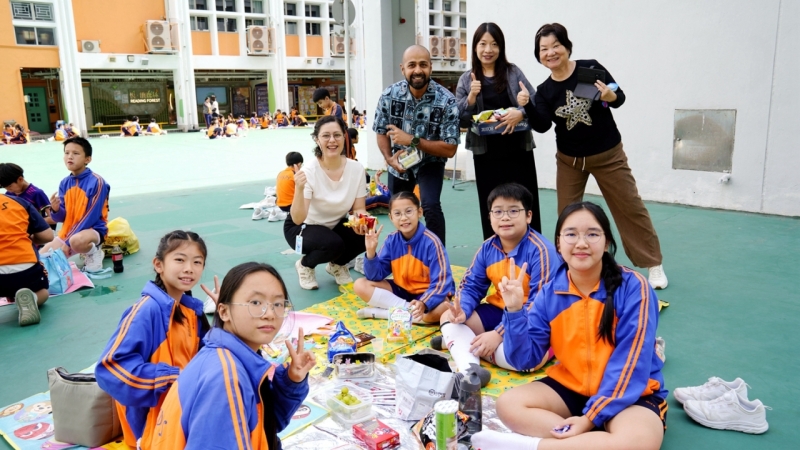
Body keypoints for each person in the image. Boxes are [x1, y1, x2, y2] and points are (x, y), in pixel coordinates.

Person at [471, 202, 667, 450]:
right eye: (571, 234)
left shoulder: (634, 287)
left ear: (606, 242)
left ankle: (533, 447)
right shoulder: (549, 294)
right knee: (508, 404)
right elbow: (524, 360)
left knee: (638, 443)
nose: (581, 243)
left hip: (630, 395)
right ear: (558, 244)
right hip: (572, 387)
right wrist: (514, 311)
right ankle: (594, 442)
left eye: (592, 234)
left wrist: (589, 418)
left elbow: (631, 362)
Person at [520, 23, 668, 289]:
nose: (551, 53)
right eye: (544, 49)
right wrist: (527, 105)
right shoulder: (544, 90)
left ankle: (652, 262)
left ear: (567, 47)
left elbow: (618, 96)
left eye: (556, 46)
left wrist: (611, 96)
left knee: (630, 207)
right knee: (567, 215)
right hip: (570, 161)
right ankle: (568, 266)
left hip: (608, 155)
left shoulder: (590, 69)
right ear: (538, 55)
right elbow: (542, 125)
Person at [149, 262, 315, 450]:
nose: (270, 314)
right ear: (224, 311)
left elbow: (266, 424)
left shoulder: (239, 356)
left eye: (277, 304)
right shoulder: (226, 379)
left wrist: (292, 381)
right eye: (255, 303)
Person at [96, 231, 211, 449]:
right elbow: (110, 369)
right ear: (159, 265)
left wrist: (227, 319)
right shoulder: (147, 311)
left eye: (197, 262)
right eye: (180, 260)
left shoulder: (191, 310)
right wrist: (174, 377)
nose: (189, 268)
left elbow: (210, 355)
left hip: (184, 410)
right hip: (151, 426)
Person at [436, 183, 558, 376]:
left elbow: (541, 306)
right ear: (490, 217)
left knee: (526, 363)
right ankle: (470, 371)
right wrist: (462, 310)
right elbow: (471, 287)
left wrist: (498, 334)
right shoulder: (487, 247)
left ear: (528, 216)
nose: (505, 217)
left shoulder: (542, 251)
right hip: (499, 311)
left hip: (531, 318)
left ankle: (461, 345)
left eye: (513, 211)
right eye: (498, 211)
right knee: (448, 318)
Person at [457, 23, 542, 239]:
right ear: (475, 47)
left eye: (494, 44)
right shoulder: (467, 79)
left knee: (525, 201)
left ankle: (534, 247)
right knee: (492, 203)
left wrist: (521, 112)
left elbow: (534, 100)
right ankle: (494, 249)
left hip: (518, 150)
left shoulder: (513, 72)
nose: (488, 50)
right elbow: (460, 118)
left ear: (501, 47)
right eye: (483, 44)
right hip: (486, 154)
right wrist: (471, 97)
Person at [373, 44, 460, 246]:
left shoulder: (447, 101)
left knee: (430, 205)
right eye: (412, 65)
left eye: (423, 64)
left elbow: (450, 149)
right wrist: (389, 159)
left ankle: (436, 253)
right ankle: (404, 252)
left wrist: (412, 140)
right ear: (402, 68)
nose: (418, 70)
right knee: (399, 208)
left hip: (431, 161)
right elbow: (380, 131)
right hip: (399, 162)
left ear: (431, 67)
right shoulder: (389, 95)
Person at [283, 115, 369, 290]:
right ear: (317, 139)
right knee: (332, 244)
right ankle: (305, 265)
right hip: (302, 226)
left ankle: (337, 265)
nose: (332, 140)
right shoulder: (309, 171)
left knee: (365, 234)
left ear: (344, 136)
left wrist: (363, 221)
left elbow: (359, 208)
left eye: (337, 135)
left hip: (334, 225)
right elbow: (298, 219)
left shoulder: (356, 169)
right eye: (326, 136)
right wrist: (299, 188)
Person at [355, 191, 454, 323]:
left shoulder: (432, 243)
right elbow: (374, 276)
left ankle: (387, 313)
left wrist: (424, 303)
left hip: (426, 294)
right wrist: (371, 252)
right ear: (391, 217)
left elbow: (442, 282)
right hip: (401, 290)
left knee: (444, 307)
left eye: (408, 211)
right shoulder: (391, 240)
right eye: (397, 214)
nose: (403, 218)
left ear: (419, 212)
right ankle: (411, 314)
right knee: (360, 285)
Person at [40, 136, 110, 272]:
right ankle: (78, 247)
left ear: (87, 159)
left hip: (93, 230)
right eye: (67, 153)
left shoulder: (97, 182)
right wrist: (56, 210)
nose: (70, 157)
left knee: (76, 241)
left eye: (76, 153)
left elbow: (91, 216)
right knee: (41, 260)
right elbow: (62, 217)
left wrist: (67, 242)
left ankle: (93, 251)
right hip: (68, 232)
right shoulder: (64, 183)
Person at [0, 192, 54, 326]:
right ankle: (32, 299)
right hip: (24, 268)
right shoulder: (18, 202)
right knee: (43, 292)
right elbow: (48, 236)